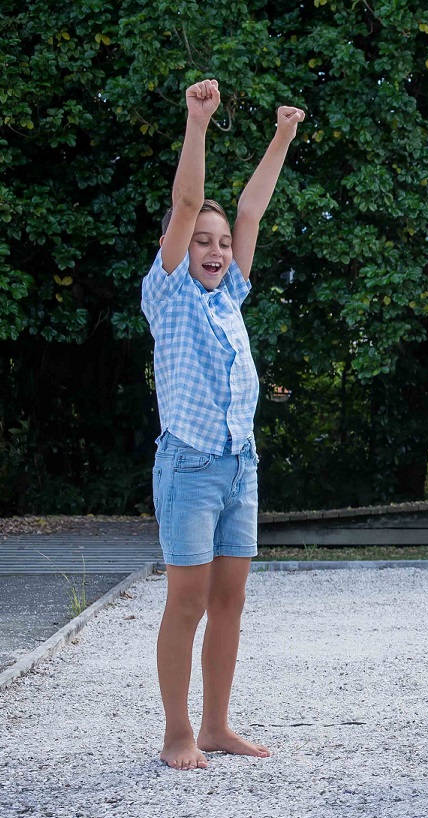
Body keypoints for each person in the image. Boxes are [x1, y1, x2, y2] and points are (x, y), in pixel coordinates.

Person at [141, 79, 304, 770]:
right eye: (200, 240)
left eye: (220, 243)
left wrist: (283, 136)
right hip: (189, 466)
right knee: (188, 600)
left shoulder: (229, 291)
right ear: (178, 245)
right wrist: (198, 120)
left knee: (230, 598)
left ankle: (214, 724)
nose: (214, 247)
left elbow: (250, 209)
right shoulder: (169, 292)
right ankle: (177, 730)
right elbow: (190, 200)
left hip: (241, 462)